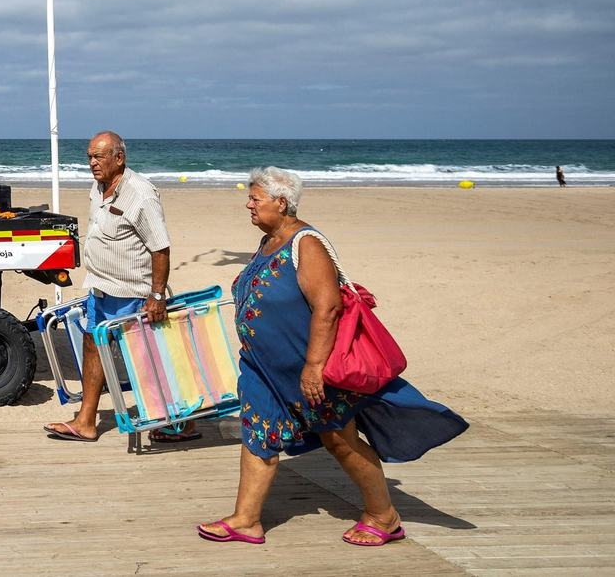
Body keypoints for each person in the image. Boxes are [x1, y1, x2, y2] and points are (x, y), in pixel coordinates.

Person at [197, 167, 468, 547]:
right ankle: (246, 520)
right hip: (265, 371)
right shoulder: (269, 241)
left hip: (308, 370)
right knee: (257, 434)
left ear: (281, 202)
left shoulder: (305, 243)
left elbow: (328, 307)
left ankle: (383, 515)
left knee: (339, 440)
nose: (248, 204)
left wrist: (313, 367)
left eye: (255, 198)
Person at [44, 132, 197, 443]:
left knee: (144, 357)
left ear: (119, 158)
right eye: (89, 157)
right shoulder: (98, 187)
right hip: (100, 287)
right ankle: (86, 420)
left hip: (132, 292)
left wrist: (156, 295)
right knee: (92, 344)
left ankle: (181, 422)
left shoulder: (140, 194)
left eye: (99, 157)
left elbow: (161, 248)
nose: (92, 163)